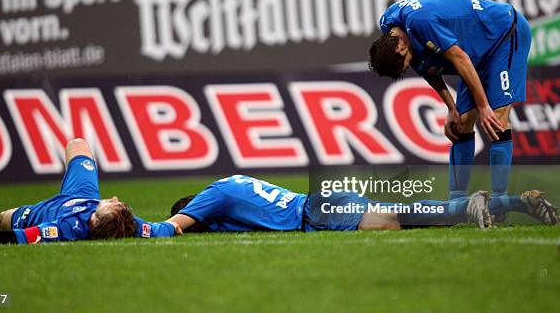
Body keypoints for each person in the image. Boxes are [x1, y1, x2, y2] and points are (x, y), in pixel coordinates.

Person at [368, 0, 531, 206]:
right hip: (476, 51)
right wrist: (451, 108)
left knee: (496, 119)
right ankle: (458, 205)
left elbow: (460, 58)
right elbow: (425, 67)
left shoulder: (419, 22)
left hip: (504, 33)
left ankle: (500, 204)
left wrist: (483, 106)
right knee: (461, 124)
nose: (409, 67)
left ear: (399, 46)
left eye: (405, 63)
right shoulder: (390, 27)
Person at [0, 138, 179, 246]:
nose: (115, 198)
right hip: (83, 194)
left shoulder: (62, 228)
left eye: (112, 203)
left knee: (3, 219)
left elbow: (17, 238)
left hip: (42, 213)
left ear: (94, 219)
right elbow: (162, 228)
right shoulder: (130, 224)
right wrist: (173, 226)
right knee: (78, 144)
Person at [164, 175, 557, 235]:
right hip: (320, 201)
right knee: (404, 217)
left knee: (397, 220)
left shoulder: (211, 200)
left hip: (316, 213)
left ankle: (466, 208)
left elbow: (174, 227)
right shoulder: (230, 185)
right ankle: (517, 201)